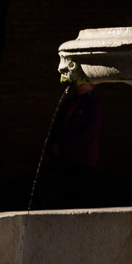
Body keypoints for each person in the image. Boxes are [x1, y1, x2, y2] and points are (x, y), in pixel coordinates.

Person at [43, 78, 103, 208]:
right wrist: (53, 146)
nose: (81, 82)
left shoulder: (93, 104)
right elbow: (57, 127)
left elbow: (90, 132)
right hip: (64, 160)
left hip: (82, 161)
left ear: (92, 85)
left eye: (86, 80)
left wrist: (67, 148)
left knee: (80, 199)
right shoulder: (70, 103)